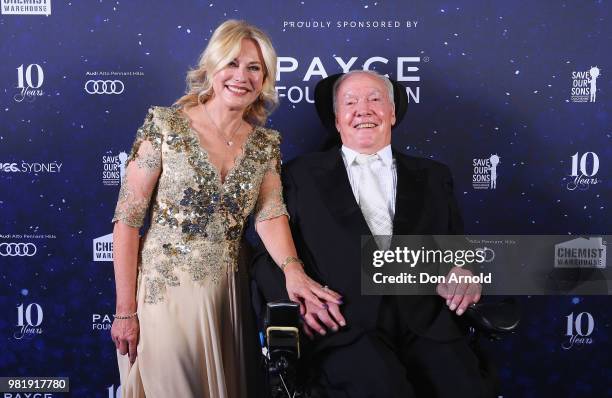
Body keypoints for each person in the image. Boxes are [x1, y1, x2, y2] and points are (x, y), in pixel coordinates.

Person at [110, 20, 340, 398]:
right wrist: (124, 311)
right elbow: (127, 221)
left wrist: (293, 271)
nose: (241, 76)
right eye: (231, 64)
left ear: (265, 78)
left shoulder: (265, 144)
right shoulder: (165, 126)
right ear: (212, 67)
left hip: (229, 297)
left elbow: (270, 214)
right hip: (163, 295)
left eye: (254, 68)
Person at [253, 70, 492, 397]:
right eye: (350, 102)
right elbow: (267, 259)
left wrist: (465, 271)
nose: (363, 109)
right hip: (346, 326)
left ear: (392, 114)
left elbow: (457, 248)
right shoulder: (298, 175)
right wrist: (298, 300)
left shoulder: (434, 176)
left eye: (375, 99)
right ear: (337, 120)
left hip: (427, 324)